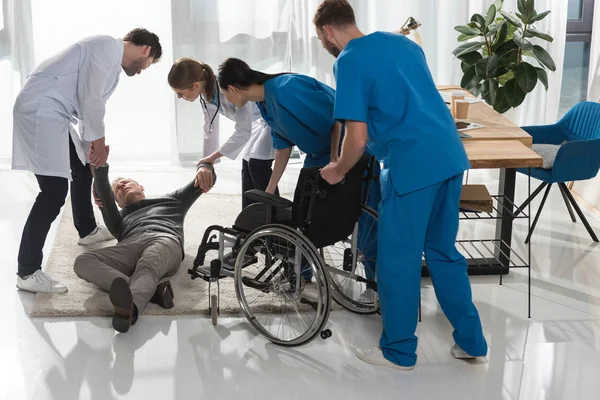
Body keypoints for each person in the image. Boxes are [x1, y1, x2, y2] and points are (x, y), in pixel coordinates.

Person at [313, 0, 488, 370]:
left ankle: (398, 351)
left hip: (412, 166)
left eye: (322, 37)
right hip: (449, 157)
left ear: (327, 31)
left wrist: (338, 170)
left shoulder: (348, 61)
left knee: (397, 262)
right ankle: (472, 342)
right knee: (443, 252)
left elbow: (356, 138)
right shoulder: (405, 44)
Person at [13, 28, 163, 294]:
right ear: (146, 50)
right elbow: (91, 101)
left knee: (82, 170)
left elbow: (86, 109)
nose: (142, 71)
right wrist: (98, 143)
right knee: (53, 192)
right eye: (147, 65)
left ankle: (87, 229)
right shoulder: (105, 46)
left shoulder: (112, 65)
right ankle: (27, 271)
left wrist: (93, 154)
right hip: (42, 110)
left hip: (57, 113)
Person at [73, 162, 216, 333]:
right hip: (129, 245)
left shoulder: (172, 200)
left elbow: (204, 180)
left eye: (126, 182)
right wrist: (98, 166)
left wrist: (205, 167)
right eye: (118, 189)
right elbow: (103, 191)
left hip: (164, 239)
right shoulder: (117, 219)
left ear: (141, 187)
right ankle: (153, 292)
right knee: (83, 261)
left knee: (147, 266)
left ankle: (130, 309)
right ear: (117, 203)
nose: (122, 185)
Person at [168, 57, 277, 208]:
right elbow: (210, 130)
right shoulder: (206, 94)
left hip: (272, 119)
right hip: (257, 124)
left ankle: (279, 219)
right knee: (247, 166)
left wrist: (212, 157)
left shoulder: (228, 88)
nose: (180, 97)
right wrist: (206, 164)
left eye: (180, 93)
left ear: (195, 85)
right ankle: (250, 221)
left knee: (257, 166)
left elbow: (243, 132)